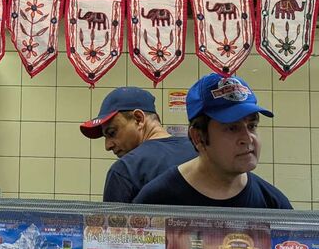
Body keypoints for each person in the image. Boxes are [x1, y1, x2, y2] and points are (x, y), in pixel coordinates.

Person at [135, 72, 293, 209]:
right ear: (198, 137)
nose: (247, 138)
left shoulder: (273, 204)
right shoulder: (157, 200)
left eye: (252, 126)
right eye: (232, 128)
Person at [79, 86, 195, 203]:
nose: (107, 146)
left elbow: (112, 216)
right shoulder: (199, 153)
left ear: (139, 119)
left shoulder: (125, 170)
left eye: (112, 132)